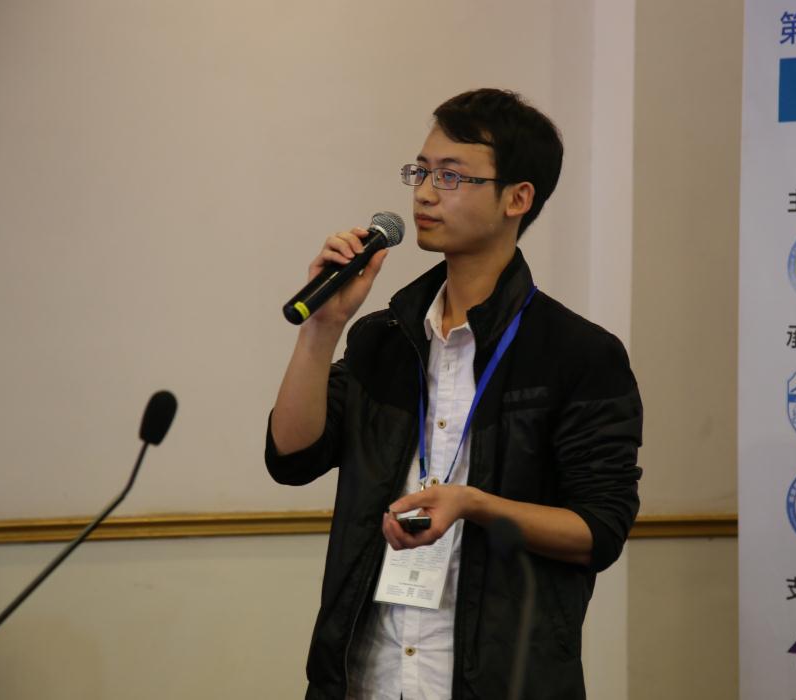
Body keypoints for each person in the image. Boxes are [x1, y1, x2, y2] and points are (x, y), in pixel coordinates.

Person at [266, 88, 642, 700]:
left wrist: (472, 504)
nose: (423, 193)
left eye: (451, 175)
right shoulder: (384, 337)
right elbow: (292, 456)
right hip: (368, 677)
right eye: (420, 171)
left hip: (499, 680)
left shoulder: (577, 353)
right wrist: (322, 328)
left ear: (517, 197)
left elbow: (599, 530)